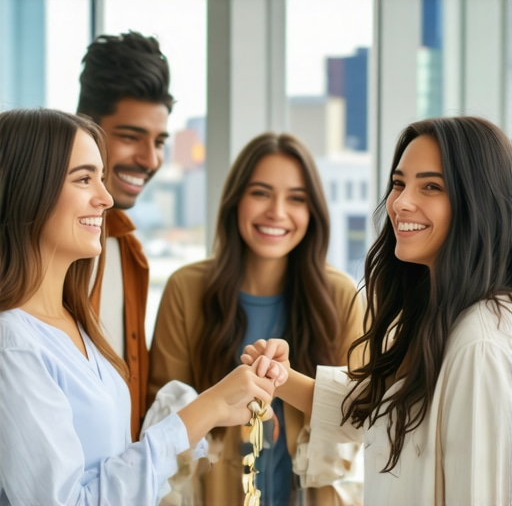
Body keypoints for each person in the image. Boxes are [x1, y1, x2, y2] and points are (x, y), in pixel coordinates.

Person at [0, 108, 286, 506]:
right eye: (84, 179)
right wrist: (204, 410)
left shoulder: (76, 324)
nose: (105, 197)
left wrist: (219, 409)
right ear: (28, 191)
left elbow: (115, 466)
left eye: (101, 178)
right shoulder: (11, 343)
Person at [243, 116, 512, 506]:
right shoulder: (439, 316)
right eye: (400, 183)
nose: (400, 202)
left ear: (478, 202)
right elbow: (381, 411)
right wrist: (282, 379)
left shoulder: (479, 346)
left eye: (431, 186)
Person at [148, 132, 365, 506]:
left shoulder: (340, 295)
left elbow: (359, 421)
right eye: (261, 193)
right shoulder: (186, 289)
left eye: (296, 198)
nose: (277, 212)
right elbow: (163, 424)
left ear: (313, 211)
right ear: (236, 201)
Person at [77, 30, 173, 441]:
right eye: (130, 136)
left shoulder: (128, 251)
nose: (149, 159)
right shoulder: (27, 249)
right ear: (86, 129)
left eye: (160, 141)